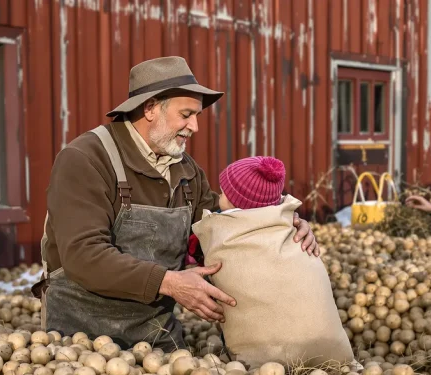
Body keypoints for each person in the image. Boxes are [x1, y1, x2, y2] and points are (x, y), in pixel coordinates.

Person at [35, 56, 319, 352]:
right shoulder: (86, 159)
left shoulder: (185, 170)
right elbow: (83, 256)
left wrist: (282, 226)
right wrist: (170, 283)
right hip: (82, 344)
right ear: (149, 109)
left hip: (159, 339)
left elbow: (220, 227)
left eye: (197, 115)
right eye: (186, 114)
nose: (194, 126)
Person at [189, 156, 355, 367]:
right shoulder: (288, 224)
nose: (218, 196)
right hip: (329, 354)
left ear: (233, 202)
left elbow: (195, 246)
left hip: (264, 368)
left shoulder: (224, 231)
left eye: (222, 192)